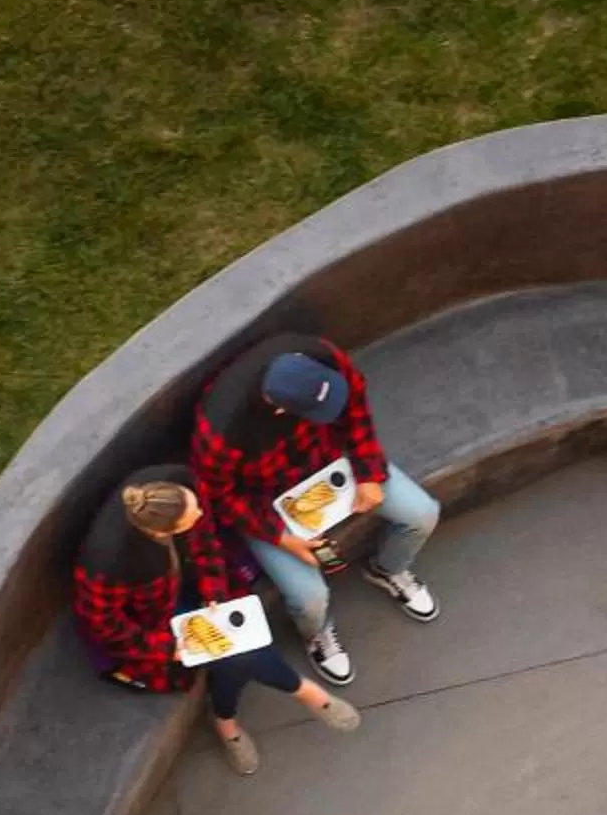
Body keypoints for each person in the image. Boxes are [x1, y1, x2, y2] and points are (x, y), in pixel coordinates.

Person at [191, 332, 442, 688]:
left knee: (422, 514)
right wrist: (283, 539)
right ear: (278, 408)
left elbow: (355, 408)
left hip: (328, 465)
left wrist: (369, 473)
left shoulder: (319, 358)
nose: (330, 413)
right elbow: (220, 498)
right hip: (264, 501)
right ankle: (317, 634)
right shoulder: (222, 431)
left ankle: (388, 569)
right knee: (310, 597)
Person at [71, 468, 360, 776]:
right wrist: (169, 647)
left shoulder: (178, 489)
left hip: (192, 578)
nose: (200, 512)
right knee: (233, 651)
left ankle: (226, 721)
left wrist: (215, 595)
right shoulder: (107, 563)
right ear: (161, 533)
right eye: (192, 515)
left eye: (195, 504)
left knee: (231, 650)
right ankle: (300, 693)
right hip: (151, 613)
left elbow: (207, 544)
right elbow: (106, 625)